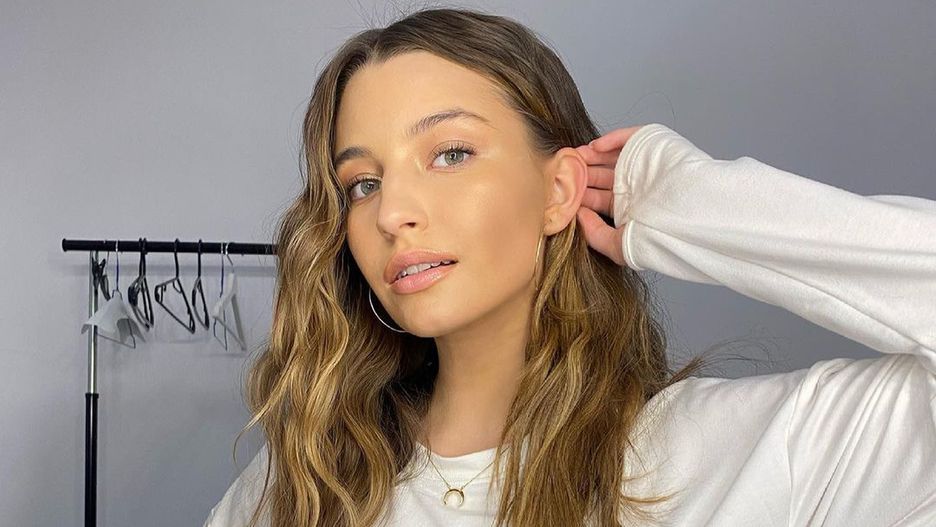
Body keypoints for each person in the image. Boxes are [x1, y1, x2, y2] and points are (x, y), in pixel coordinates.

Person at [204, 7, 936, 527]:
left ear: (557, 191)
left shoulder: (742, 453)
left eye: (450, 153)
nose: (392, 211)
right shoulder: (302, 488)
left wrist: (698, 204)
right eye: (363, 183)